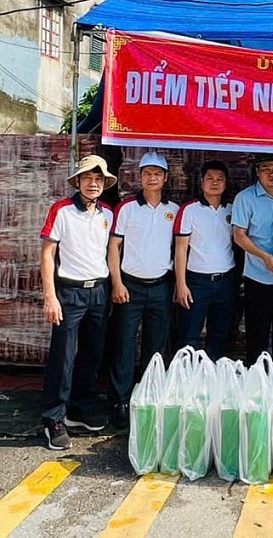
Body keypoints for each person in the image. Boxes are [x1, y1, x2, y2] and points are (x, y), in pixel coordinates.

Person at [40, 155, 116, 450]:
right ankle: (54, 418)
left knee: (92, 355)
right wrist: (50, 296)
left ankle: (79, 408)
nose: (93, 183)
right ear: (78, 182)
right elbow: (47, 254)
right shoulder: (62, 210)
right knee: (63, 357)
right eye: (88, 178)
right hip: (69, 293)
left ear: (104, 184)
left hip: (98, 291)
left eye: (98, 179)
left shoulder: (107, 213)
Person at [107, 152, 180, 430]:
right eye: (147, 173)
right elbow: (114, 246)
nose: (152, 178)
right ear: (140, 177)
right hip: (130, 286)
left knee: (156, 347)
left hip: (161, 286)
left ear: (165, 178)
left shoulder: (173, 209)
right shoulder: (126, 208)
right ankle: (121, 402)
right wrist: (117, 283)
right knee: (124, 346)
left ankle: (148, 397)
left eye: (157, 173)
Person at [232, 154, 273, 367]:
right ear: (257, 172)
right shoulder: (245, 198)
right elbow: (239, 235)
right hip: (259, 278)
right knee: (257, 338)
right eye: (266, 168)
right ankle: (256, 388)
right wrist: (265, 257)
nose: (272, 172)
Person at [174, 160, 237, 361]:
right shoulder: (189, 210)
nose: (215, 183)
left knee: (219, 336)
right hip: (196, 282)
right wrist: (181, 284)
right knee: (189, 336)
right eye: (210, 179)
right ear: (201, 182)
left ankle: (213, 382)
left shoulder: (233, 209)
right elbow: (181, 249)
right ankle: (186, 382)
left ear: (226, 183)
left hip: (226, 281)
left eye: (220, 179)